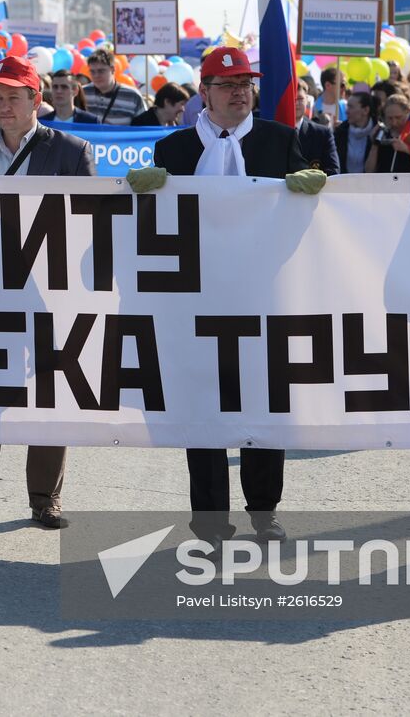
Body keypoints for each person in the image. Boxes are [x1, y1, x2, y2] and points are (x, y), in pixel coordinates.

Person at [132, 46, 323, 543]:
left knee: (263, 403)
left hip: (262, 298)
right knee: (203, 411)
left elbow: (314, 216)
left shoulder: (282, 140)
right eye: (228, 84)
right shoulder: (172, 151)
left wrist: (315, 191)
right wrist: (140, 195)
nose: (240, 92)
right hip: (194, 302)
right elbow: (156, 226)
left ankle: (264, 510)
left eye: (246, 84)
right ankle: (211, 518)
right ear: (205, 93)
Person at [0, 54, 95, 534]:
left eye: (13, 96)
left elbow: (89, 221)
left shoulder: (71, 151)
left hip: (49, 293)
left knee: (49, 393)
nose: (2, 105)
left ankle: (44, 498)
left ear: (36, 101)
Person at [82, 47, 146, 125]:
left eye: (101, 71)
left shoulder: (133, 96)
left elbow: (144, 127)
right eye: (92, 72)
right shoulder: (82, 93)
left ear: (112, 69)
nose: (96, 75)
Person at [364, 95, 410, 174]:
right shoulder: (381, 134)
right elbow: (369, 171)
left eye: (398, 118)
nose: (394, 122)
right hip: (385, 183)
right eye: (390, 118)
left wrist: (407, 149)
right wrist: (374, 145)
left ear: (408, 113)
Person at [293, 88, 340, 175]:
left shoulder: (322, 134)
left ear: (307, 100)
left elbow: (333, 171)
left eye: (300, 98)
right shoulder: (274, 132)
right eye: (292, 98)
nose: (296, 103)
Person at [334, 87, 379, 174]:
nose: (347, 111)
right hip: (344, 184)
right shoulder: (340, 132)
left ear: (366, 110)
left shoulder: (379, 132)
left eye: (351, 107)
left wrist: (375, 144)